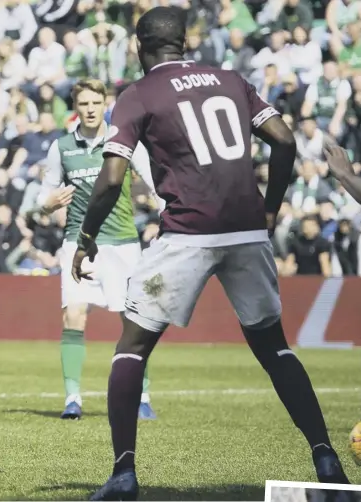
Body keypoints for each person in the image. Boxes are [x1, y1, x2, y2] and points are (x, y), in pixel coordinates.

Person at [72, 7, 350, 500]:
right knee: (275, 348)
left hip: (187, 235)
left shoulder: (138, 94)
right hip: (246, 232)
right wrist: (268, 212)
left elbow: (112, 178)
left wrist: (86, 236)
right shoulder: (230, 78)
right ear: (184, 42)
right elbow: (283, 141)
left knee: (132, 347)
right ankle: (325, 456)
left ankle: (123, 474)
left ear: (140, 47)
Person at [37, 78, 159, 421]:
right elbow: (43, 196)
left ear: (105, 104)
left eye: (95, 103)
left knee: (134, 322)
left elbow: (154, 184)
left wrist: (163, 217)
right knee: (73, 315)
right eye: (83, 104)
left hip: (121, 244)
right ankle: (72, 399)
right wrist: (47, 205)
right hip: (77, 243)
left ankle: (143, 397)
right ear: (75, 108)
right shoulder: (61, 147)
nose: (90, 109)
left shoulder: (125, 142)